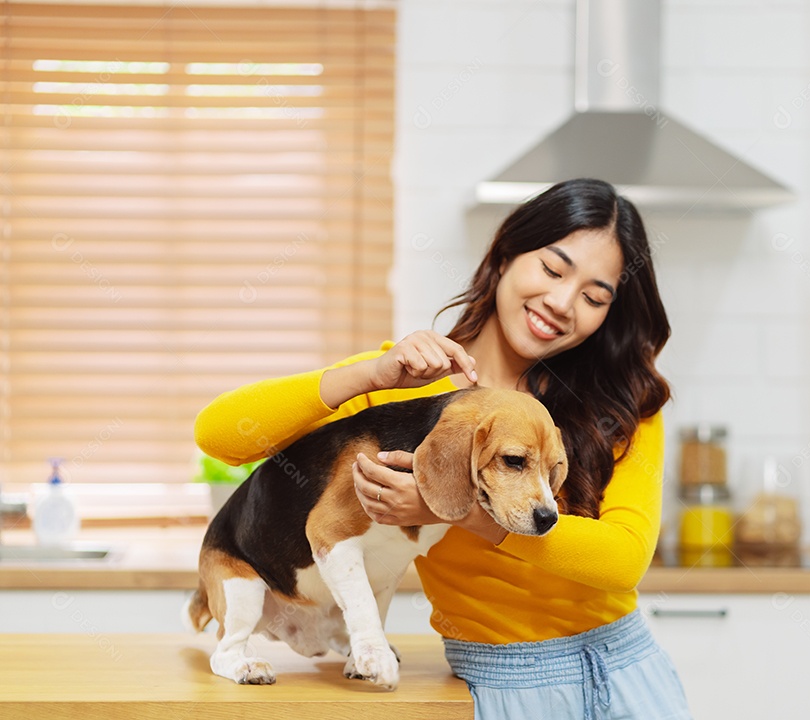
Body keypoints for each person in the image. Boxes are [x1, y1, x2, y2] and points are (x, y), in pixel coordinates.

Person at [194, 178, 692, 719]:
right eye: (552, 269)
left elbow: (623, 561)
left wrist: (451, 508)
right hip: (493, 683)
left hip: (625, 674)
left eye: (595, 297)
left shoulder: (621, 404)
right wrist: (366, 374)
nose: (562, 302)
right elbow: (220, 435)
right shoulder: (407, 388)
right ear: (504, 255)